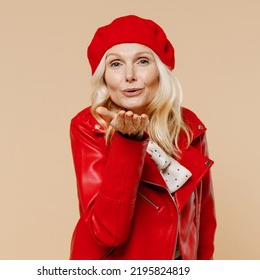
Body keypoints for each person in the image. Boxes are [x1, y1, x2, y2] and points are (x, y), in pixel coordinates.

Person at [69, 15, 216, 260]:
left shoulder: (188, 126)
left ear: (160, 70)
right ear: (104, 75)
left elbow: (204, 218)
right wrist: (128, 142)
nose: (129, 75)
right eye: (115, 64)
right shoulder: (90, 126)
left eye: (143, 61)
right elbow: (107, 233)